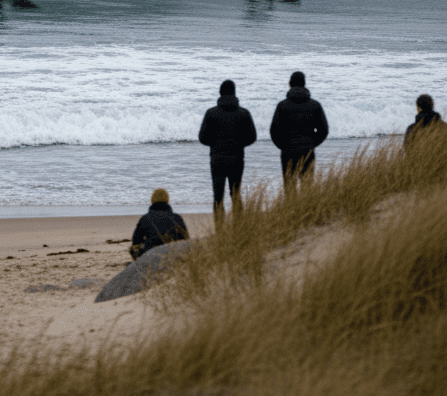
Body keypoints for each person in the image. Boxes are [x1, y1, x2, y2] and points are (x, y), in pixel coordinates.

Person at [198, 80, 257, 218]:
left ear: (220, 93)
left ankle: (220, 231)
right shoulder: (243, 113)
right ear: (234, 93)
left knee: (218, 196)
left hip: (217, 159)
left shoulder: (211, 113)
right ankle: (238, 229)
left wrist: (215, 144)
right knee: (236, 194)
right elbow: (252, 136)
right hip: (237, 158)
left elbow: (202, 137)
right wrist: (240, 144)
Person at [269, 71, 328, 190]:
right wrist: (311, 143)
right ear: (304, 84)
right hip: (307, 151)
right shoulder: (315, 105)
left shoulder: (282, 105)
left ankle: (291, 209)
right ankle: (306, 209)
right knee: (307, 188)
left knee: (289, 187)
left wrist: (283, 146)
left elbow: (274, 130)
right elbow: (323, 129)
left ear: (290, 84)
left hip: (288, 151)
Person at [130, 189, 189, 259]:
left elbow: (135, 241)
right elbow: (186, 241)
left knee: (133, 249)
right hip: (173, 255)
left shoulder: (145, 218)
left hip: (151, 255)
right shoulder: (177, 218)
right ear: (167, 200)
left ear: (152, 200)